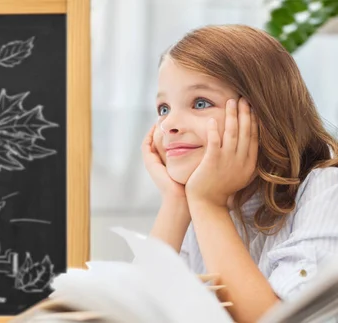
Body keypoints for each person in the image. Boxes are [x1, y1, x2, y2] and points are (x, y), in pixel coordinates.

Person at [143, 24, 338, 323]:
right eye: (164, 108)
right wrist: (176, 200)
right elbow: (135, 310)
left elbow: (282, 319)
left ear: (263, 113)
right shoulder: (196, 200)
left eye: (200, 103)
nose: (169, 125)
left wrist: (208, 205)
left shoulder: (326, 190)